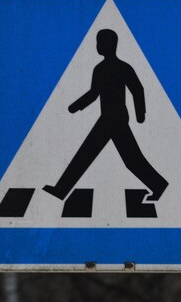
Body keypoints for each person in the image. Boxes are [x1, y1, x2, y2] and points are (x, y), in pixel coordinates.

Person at [43, 29, 168, 201]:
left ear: (109, 45)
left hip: (115, 120)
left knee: (117, 158)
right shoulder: (101, 69)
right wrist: (76, 106)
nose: (97, 46)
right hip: (109, 119)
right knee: (110, 157)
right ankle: (61, 190)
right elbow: (94, 94)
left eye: (100, 42)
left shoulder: (120, 68)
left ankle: (61, 190)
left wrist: (141, 114)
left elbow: (137, 89)